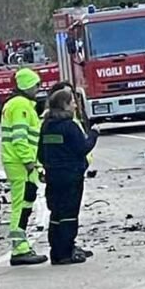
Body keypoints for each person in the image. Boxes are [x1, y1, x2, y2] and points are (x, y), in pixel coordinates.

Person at [38, 89, 100, 265]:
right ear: (65, 105)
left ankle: (56, 252)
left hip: (53, 176)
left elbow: (41, 154)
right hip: (71, 176)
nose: (75, 104)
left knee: (56, 213)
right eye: (72, 101)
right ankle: (66, 252)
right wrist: (94, 134)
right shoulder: (70, 126)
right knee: (69, 214)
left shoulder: (47, 125)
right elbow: (82, 148)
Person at [1, 68, 47, 265]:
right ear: (27, 85)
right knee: (21, 206)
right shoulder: (20, 106)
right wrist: (30, 162)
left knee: (25, 203)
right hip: (20, 163)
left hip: (19, 162)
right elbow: (20, 138)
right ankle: (19, 249)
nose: (38, 88)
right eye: (36, 84)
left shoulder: (18, 104)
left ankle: (22, 246)